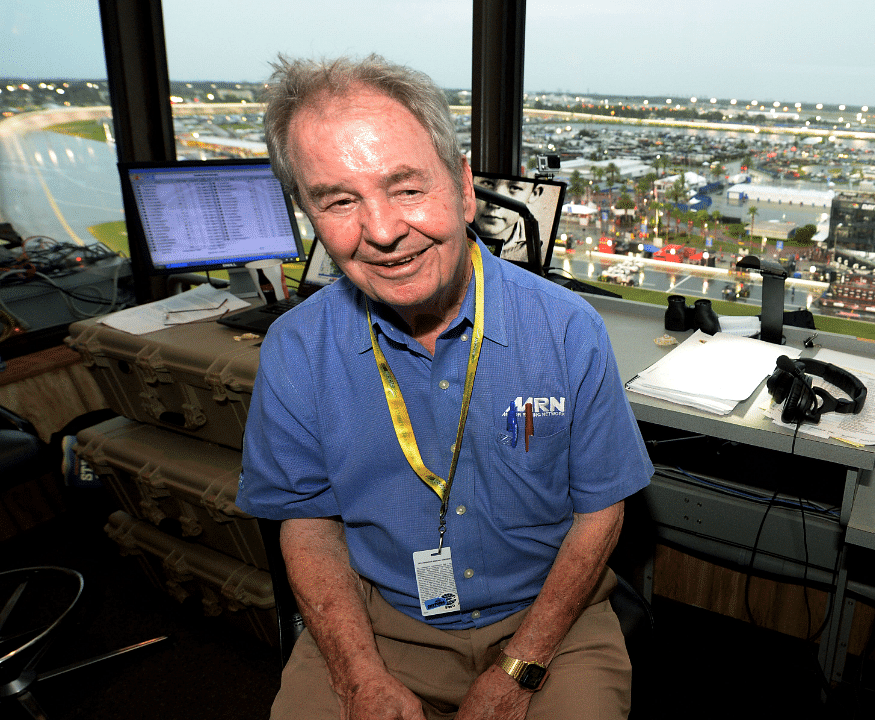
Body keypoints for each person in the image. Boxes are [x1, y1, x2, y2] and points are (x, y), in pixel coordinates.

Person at [236, 54, 653, 720]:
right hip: (379, 620)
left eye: (406, 188)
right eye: (339, 200)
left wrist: (518, 669)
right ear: (310, 215)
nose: (381, 231)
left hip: (552, 619)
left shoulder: (569, 330)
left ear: (463, 188)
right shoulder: (294, 350)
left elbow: (600, 513)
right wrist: (359, 678)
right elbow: (307, 527)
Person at [474, 175, 545, 264]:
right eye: (487, 183)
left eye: (515, 188)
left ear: (534, 194)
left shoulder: (538, 251)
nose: (494, 205)